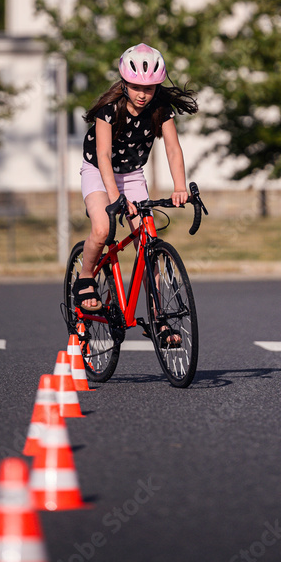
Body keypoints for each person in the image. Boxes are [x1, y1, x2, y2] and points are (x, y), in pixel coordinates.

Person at [73, 43, 198, 345]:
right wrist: (116, 198)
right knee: (102, 229)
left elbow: (172, 148)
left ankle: (158, 319)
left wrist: (180, 186)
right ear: (124, 83)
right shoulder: (108, 111)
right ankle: (86, 277)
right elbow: (103, 156)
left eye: (150, 88)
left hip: (132, 175)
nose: (143, 94)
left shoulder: (160, 111)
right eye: (136, 86)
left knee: (148, 242)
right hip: (98, 172)